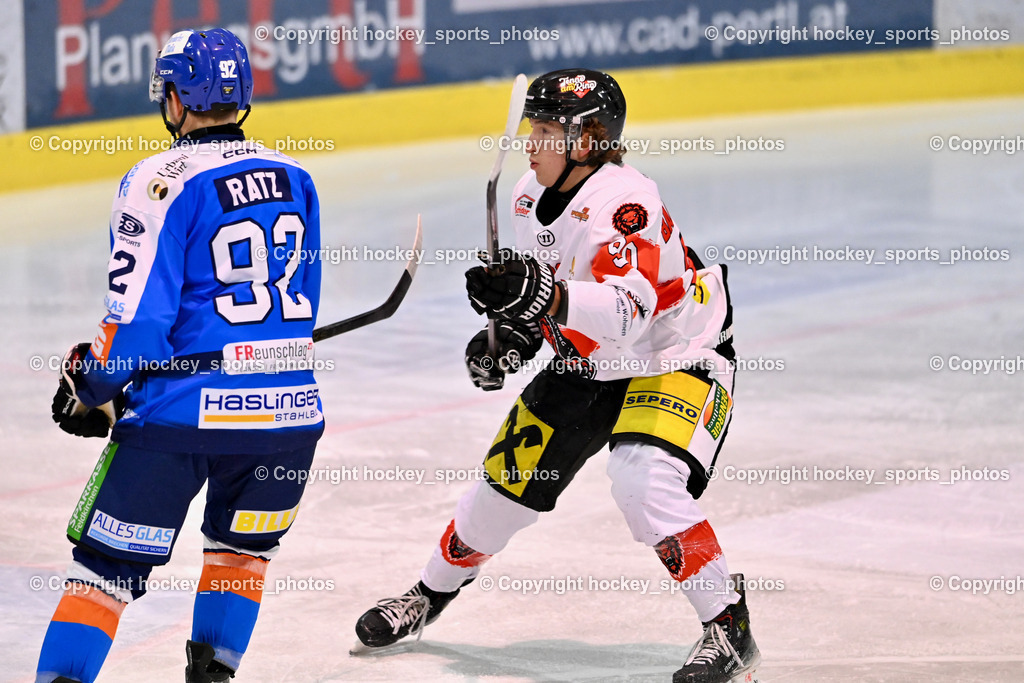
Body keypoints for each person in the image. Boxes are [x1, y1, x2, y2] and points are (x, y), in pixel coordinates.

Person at [354, 69, 759, 683]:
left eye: (545, 131)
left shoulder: (629, 203)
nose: (531, 143)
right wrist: (510, 337)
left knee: (643, 482)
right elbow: (553, 300)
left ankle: (729, 628)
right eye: (531, 129)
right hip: (588, 362)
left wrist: (538, 293)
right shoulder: (525, 195)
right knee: (501, 487)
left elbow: (627, 312)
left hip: (674, 358)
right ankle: (427, 597)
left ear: (589, 141)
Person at [38, 28, 324, 683]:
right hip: (288, 417)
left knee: (104, 574)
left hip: (182, 415)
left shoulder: (159, 180)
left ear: (176, 97)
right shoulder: (297, 175)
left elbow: (138, 330)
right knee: (239, 556)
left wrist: (90, 383)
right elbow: (298, 310)